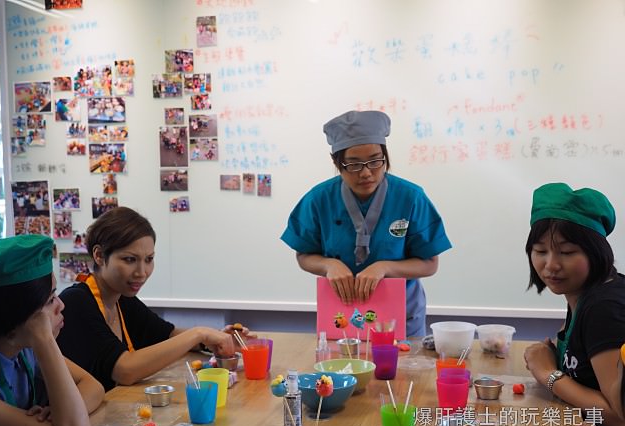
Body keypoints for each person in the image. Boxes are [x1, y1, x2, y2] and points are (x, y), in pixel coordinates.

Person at [280, 110, 452, 336]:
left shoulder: (410, 197)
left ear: (385, 156)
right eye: (354, 164)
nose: (366, 173)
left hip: (402, 316)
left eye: (375, 161)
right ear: (336, 161)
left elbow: (429, 263)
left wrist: (386, 267)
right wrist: (328, 265)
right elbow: (303, 255)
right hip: (342, 316)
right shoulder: (319, 199)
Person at [57, 207, 252, 391]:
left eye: (149, 259)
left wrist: (213, 340)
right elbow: (124, 370)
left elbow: (168, 335)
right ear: (99, 255)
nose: (142, 272)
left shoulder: (122, 299)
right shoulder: (75, 302)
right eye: (129, 260)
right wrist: (199, 333)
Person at [523, 183, 625, 426]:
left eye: (567, 252)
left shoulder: (604, 308)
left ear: (595, 251)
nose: (551, 265)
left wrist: (547, 373)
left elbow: (621, 420)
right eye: (540, 251)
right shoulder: (582, 294)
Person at [0, 235, 104, 426]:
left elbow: (93, 386)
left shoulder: (22, 350)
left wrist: (63, 414)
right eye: (50, 301)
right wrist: (45, 338)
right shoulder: (35, 345)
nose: (62, 305)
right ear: (13, 321)